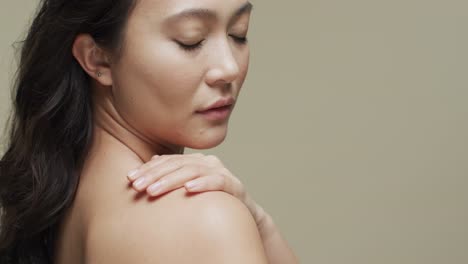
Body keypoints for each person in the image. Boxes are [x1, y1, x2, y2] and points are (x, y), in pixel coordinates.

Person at [0, 0, 299, 263]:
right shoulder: (200, 219)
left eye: (238, 33)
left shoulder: (70, 195)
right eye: (191, 40)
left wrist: (261, 223)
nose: (229, 67)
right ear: (97, 58)